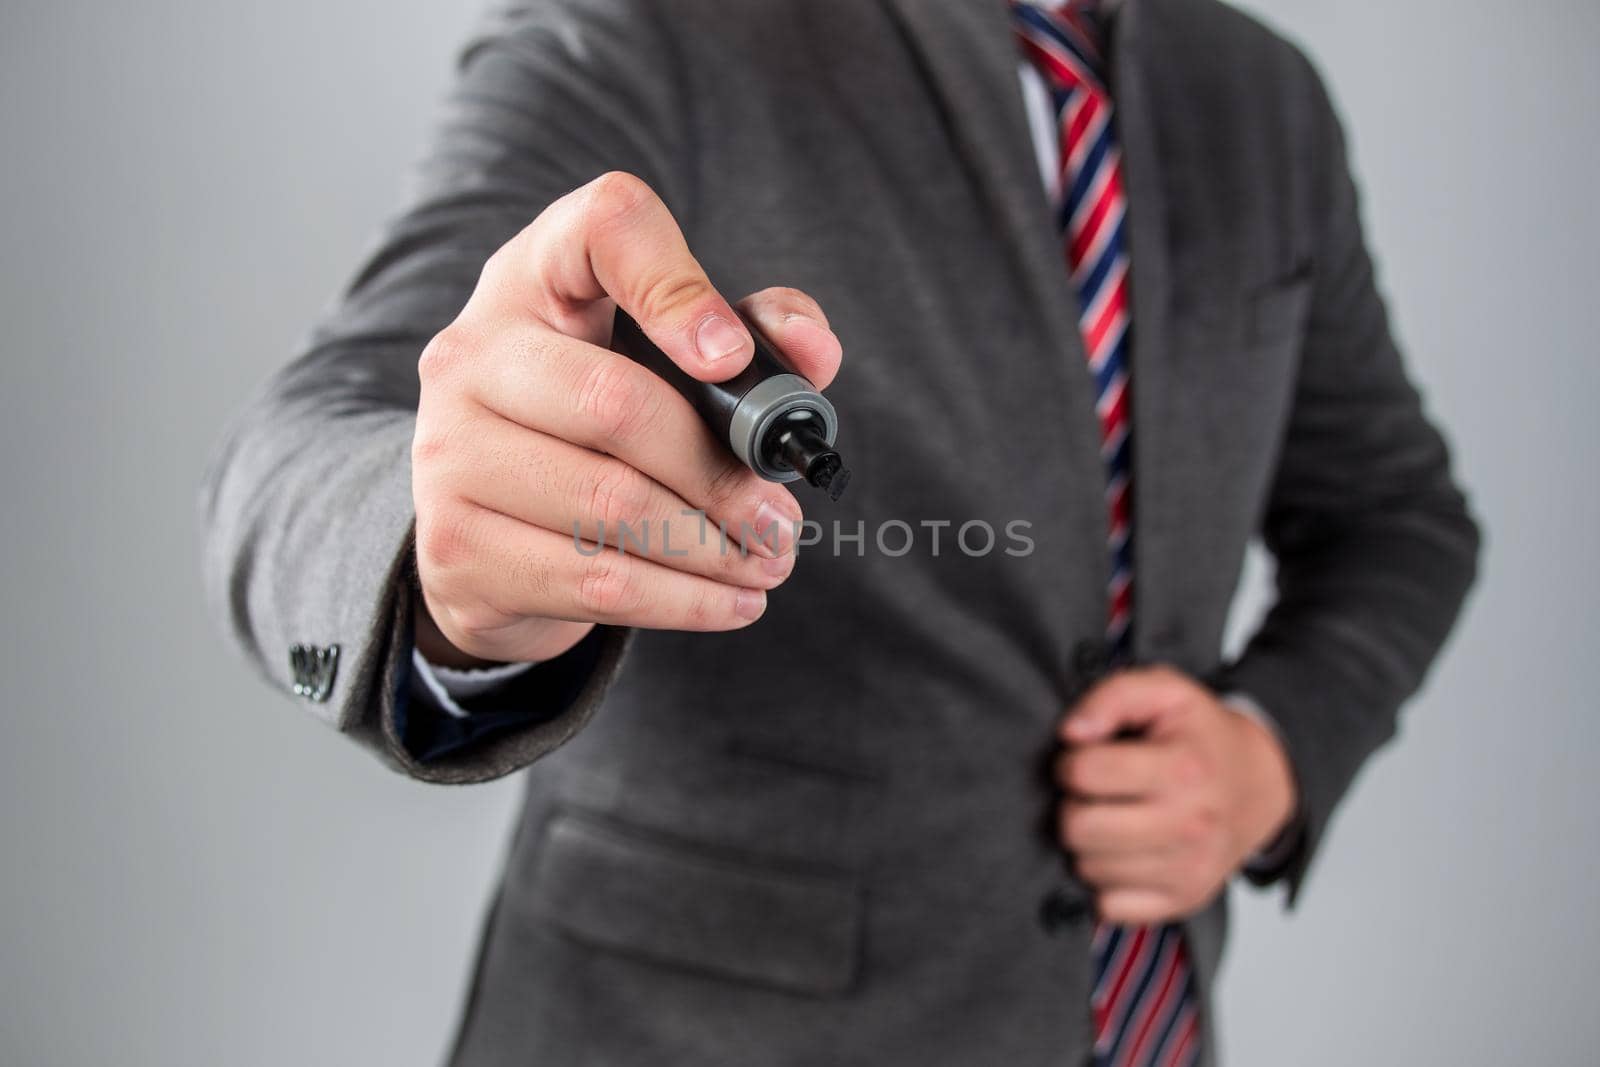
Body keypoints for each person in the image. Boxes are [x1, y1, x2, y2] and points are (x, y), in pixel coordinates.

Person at [201, 0, 1479, 1063]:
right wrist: (442, 552)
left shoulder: (1263, 97)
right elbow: (298, 451)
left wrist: (1270, 751)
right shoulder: (654, 29)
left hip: (1138, 1022)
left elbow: (1395, 515)